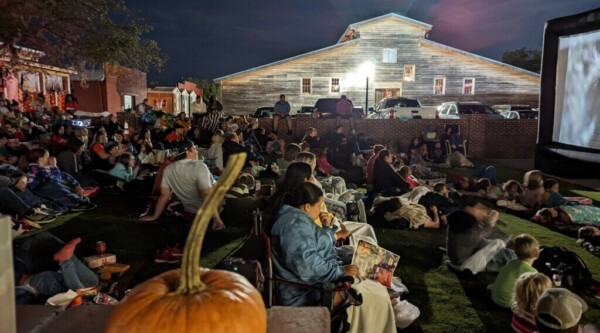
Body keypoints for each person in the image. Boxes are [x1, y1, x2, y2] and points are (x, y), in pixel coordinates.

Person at [270, 181, 396, 333]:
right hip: (306, 293)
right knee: (376, 294)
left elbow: (314, 245)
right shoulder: (294, 225)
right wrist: (341, 272)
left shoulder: (296, 219)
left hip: (315, 283)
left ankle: (392, 301)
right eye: (320, 205)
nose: (321, 209)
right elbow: (306, 267)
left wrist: (328, 230)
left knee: (373, 264)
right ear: (307, 206)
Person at [140, 143, 225, 229]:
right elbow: (207, 195)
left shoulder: (168, 169)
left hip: (189, 210)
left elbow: (164, 195)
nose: (197, 151)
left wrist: (154, 216)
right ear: (188, 152)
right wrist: (218, 220)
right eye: (194, 149)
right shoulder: (199, 166)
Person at [14, 235, 99, 304]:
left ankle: (65, 259)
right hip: (48, 275)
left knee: (76, 292)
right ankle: (68, 256)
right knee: (92, 282)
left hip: (32, 287)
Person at [446, 196, 515, 273]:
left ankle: (513, 257)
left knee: (496, 245)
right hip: (466, 263)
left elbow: (477, 238)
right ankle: (514, 260)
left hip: (460, 255)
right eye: (481, 209)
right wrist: (490, 224)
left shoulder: (461, 215)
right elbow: (475, 238)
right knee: (498, 243)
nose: (483, 212)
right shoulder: (466, 219)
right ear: (470, 208)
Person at [490, 234, 539, 308]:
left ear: (515, 251)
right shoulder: (532, 271)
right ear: (537, 254)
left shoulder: (512, 262)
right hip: (508, 303)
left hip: (495, 297)